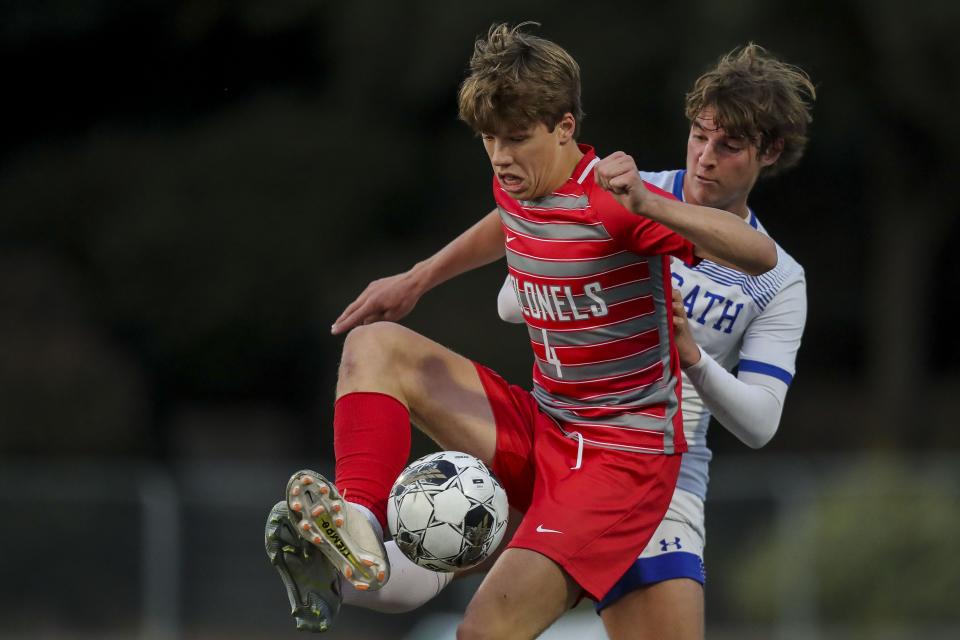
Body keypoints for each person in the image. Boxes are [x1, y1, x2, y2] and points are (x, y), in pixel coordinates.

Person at [264, 23, 777, 638]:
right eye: (488, 140)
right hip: (547, 427)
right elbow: (507, 220)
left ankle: (367, 571)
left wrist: (652, 203)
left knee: (484, 632)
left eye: (516, 139)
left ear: (565, 127)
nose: (501, 156)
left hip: (620, 465)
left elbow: (759, 256)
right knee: (373, 345)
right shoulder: (519, 182)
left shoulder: (615, 205)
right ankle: (359, 527)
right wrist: (419, 277)